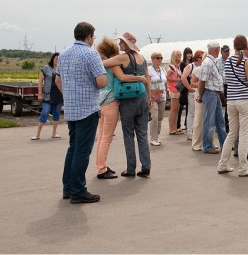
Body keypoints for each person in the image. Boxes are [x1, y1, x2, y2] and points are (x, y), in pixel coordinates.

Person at [57, 22, 107, 203]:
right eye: (93, 36)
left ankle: (68, 188)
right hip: (87, 108)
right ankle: (78, 191)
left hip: (71, 108)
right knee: (82, 151)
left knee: (73, 148)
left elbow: (58, 81)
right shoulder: (91, 54)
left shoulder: (63, 54)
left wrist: (69, 95)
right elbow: (101, 82)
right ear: (89, 36)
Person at [95, 37, 148, 179]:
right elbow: (125, 77)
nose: (119, 45)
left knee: (106, 136)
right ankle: (145, 167)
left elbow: (104, 68)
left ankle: (106, 166)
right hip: (126, 99)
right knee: (140, 135)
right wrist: (140, 79)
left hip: (109, 101)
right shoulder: (140, 59)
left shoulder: (114, 61)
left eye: (121, 42)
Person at [217, 35, 248, 177]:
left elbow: (227, 81)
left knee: (232, 134)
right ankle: (243, 168)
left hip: (231, 100)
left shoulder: (228, 61)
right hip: (244, 100)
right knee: (244, 134)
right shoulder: (246, 62)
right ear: (245, 46)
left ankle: (223, 164)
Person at [198, 41, 228, 154]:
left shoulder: (211, 61)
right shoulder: (208, 62)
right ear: (216, 49)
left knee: (219, 121)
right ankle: (207, 146)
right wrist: (201, 95)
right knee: (210, 121)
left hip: (214, 93)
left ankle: (224, 144)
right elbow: (202, 81)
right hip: (210, 93)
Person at [32, 53, 63, 140]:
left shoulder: (62, 69)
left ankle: (54, 133)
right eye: (56, 58)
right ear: (52, 59)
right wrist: (40, 93)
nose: (57, 60)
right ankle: (37, 134)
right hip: (48, 96)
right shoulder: (46, 68)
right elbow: (40, 81)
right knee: (45, 113)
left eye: (59, 59)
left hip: (59, 95)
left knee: (56, 114)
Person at [181, 50, 203, 140]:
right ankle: (189, 132)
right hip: (193, 92)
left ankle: (196, 131)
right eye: (201, 57)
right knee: (191, 112)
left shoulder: (203, 66)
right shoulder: (191, 66)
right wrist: (189, 88)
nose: (202, 59)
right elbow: (183, 77)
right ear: (197, 58)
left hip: (200, 92)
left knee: (199, 113)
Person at [148, 52, 167, 146]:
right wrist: (149, 95)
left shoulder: (163, 69)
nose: (160, 60)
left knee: (160, 117)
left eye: (161, 58)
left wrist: (167, 90)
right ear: (152, 59)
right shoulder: (149, 70)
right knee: (154, 117)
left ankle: (157, 136)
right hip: (153, 96)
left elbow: (165, 82)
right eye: (158, 58)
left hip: (162, 95)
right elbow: (147, 82)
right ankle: (153, 138)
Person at [166, 50, 184, 135]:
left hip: (177, 89)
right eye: (177, 54)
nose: (179, 56)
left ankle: (175, 128)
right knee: (173, 109)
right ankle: (171, 129)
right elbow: (167, 77)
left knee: (176, 109)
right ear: (174, 56)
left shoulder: (177, 66)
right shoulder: (172, 67)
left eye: (180, 54)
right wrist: (177, 79)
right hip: (173, 89)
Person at [178, 47, 193, 133]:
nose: (189, 55)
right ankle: (178, 124)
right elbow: (183, 76)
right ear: (185, 54)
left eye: (190, 53)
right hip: (184, 87)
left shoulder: (192, 63)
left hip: (191, 85)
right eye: (188, 53)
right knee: (181, 106)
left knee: (189, 106)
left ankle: (187, 124)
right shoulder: (182, 64)